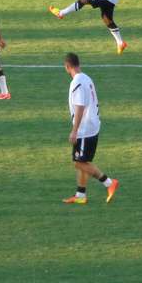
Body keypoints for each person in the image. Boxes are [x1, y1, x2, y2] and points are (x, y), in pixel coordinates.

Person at [61, 53, 119, 205]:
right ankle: (80, 195)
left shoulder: (77, 83)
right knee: (83, 160)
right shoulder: (86, 78)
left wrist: (75, 130)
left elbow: (80, 107)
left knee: (79, 162)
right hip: (92, 124)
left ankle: (109, 182)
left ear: (67, 67)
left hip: (85, 128)